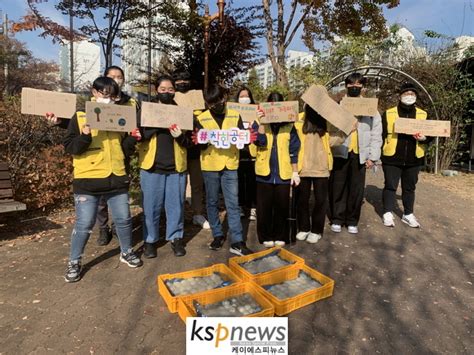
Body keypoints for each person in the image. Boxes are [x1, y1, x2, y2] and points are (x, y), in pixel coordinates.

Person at [45, 65, 139, 247]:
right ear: (99, 86)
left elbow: (128, 138)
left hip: (118, 162)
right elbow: (75, 134)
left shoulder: (129, 103)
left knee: (118, 203)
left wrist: (133, 138)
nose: (116, 79)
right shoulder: (84, 111)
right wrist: (59, 122)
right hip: (93, 167)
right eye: (112, 76)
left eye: (119, 77)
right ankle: (103, 229)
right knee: (99, 203)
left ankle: (119, 233)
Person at [61, 77, 143, 282]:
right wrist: (86, 134)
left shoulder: (119, 116)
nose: (108, 99)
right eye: (104, 94)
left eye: (113, 95)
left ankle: (126, 251)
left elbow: (123, 150)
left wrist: (133, 137)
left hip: (116, 177)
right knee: (84, 223)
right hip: (88, 179)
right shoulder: (80, 116)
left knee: (123, 219)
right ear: (94, 92)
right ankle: (74, 261)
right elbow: (71, 147)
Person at [193, 84, 255, 256]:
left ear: (225, 97)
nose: (217, 104)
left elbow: (243, 139)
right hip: (210, 165)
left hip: (230, 164)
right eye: (212, 103)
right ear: (208, 103)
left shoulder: (235, 115)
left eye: (219, 100)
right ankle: (218, 234)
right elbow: (199, 143)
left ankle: (237, 241)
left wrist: (247, 138)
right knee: (212, 202)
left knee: (233, 204)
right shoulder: (202, 118)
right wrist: (199, 141)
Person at [138, 75, 193, 258]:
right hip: (151, 167)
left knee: (175, 205)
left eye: (170, 90)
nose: (167, 93)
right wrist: (157, 125)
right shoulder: (148, 110)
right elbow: (139, 135)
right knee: (151, 206)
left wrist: (179, 136)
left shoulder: (183, 113)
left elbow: (190, 142)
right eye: (163, 90)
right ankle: (150, 240)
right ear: (156, 91)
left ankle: (176, 238)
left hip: (176, 168)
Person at [328, 72, 382, 234]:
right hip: (341, 150)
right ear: (346, 86)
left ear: (363, 87)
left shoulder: (371, 108)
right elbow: (330, 128)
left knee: (356, 189)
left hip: (361, 153)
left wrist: (373, 157)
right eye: (351, 85)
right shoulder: (338, 105)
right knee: (337, 186)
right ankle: (336, 218)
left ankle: (352, 220)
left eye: (358, 85)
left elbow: (376, 133)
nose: (354, 88)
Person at [251, 92, 301, 247]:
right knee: (264, 207)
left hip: (283, 173)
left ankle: (281, 235)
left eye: (278, 104)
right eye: (271, 104)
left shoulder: (290, 125)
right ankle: (265, 236)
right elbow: (260, 142)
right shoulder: (258, 123)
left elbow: (294, 148)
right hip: (263, 173)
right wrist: (261, 123)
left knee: (282, 206)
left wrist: (295, 171)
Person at [381, 82, 431, 228]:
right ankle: (387, 213)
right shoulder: (389, 113)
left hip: (414, 158)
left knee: (410, 187)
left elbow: (431, 133)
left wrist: (425, 138)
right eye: (406, 93)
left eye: (412, 94)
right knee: (390, 186)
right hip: (392, 156)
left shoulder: (423, 114)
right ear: (400, 96)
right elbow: (382, 134)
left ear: (416, 96)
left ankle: (408, 214)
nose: (409, 96)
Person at [295, 105, 347, 243]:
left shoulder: (327, 121)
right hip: (302, 167)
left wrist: (345, 131)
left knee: (320, 200)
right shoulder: (298, 119)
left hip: (321, 167)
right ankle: (303, 228)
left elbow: (332, 140)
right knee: (302, 200)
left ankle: (316, 230)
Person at [172, 70, 210, 230]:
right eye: (179, 80)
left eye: (185, 80)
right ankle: (177, 215)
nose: (182, 83)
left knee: (196, 184)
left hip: (195, 149)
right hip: (176, 148)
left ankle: (197, 214)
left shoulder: (198, 99)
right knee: (178, 184)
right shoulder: (170, 99)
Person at [235, 87, 258, 221]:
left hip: (253, 154)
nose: (244, 98)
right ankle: (240, 206)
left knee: (252, 183)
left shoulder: (256, 113)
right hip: (237, 154)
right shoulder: (232, 113)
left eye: (247, 96)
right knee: (238, 183)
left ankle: (253, 207)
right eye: (241, 96)